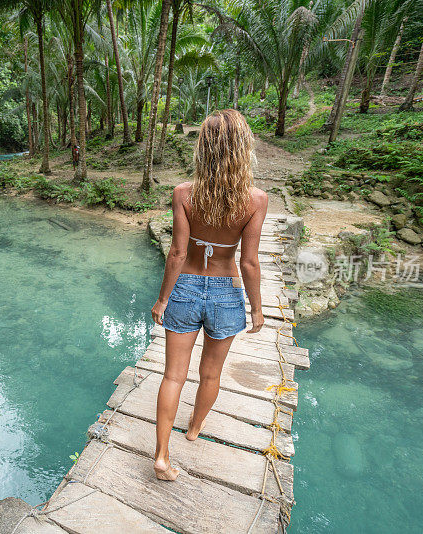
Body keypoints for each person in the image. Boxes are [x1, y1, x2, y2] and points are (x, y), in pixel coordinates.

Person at [150, 109, 268, 481]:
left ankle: (162, 456)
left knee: (173, 376)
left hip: (184, 287)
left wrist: (163, 300)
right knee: (210, 374)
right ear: (242, 148)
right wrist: (257, 309)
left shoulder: (183, 193)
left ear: (203, 147)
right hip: (226, 292)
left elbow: (178, 253)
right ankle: (195, 429)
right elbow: (249, 263)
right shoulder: (256, 199)